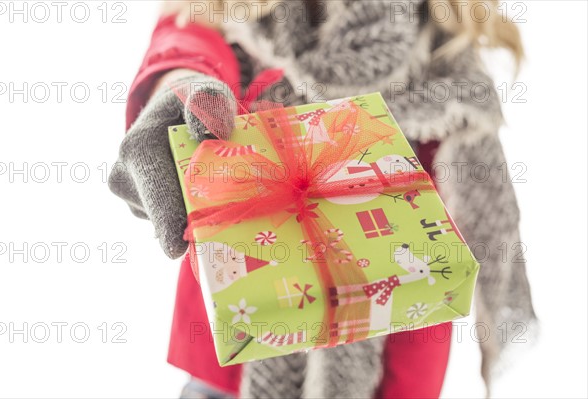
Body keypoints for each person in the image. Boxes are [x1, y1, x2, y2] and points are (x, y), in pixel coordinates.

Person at [109, 1, 536, 398]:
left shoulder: (445, 56)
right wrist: (177, 85)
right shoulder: (239, 17)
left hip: (395, 361)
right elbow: (187, 41)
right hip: (232, 362)